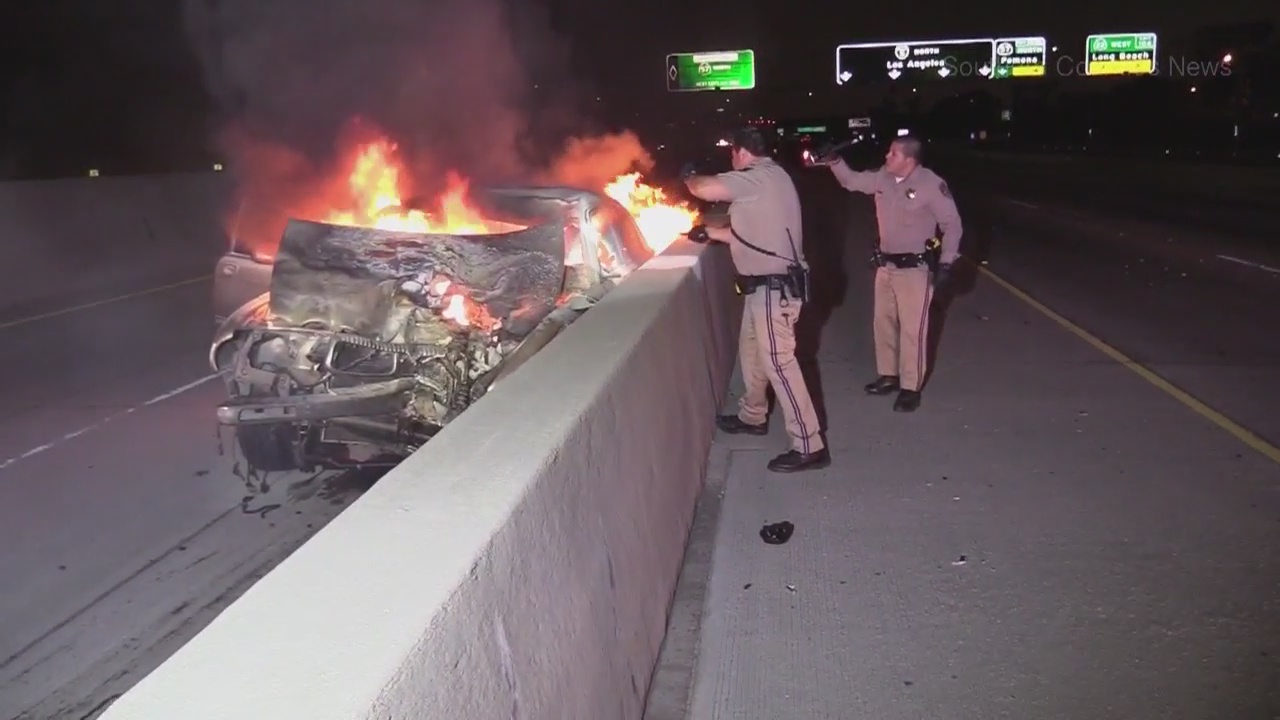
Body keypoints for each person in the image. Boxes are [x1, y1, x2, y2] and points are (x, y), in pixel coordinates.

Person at [682, 126, 830, 473]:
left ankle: (809, 445)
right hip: (762, 288)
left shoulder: (756, 177)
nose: (731, 159)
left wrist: (689, 177)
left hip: (773, 290)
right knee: (752, 353)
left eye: (732, 153)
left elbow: (704, 189)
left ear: (742, 152)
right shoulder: (773, 177)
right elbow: (751, 234)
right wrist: (711, 232)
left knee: (779, 363)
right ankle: (753, 416)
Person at [820, 135, 962, 412]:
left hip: (915, 269)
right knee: (883, 323)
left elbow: (952, 225)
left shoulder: (931, 184)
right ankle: (888, 375)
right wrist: (834, 161)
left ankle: (910, 388)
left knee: (912, 330)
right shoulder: (882, 178)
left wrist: (947, 262)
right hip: (886, 266)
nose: (887, 156)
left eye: (893, 154)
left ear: (909, 160)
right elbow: (851, 181)